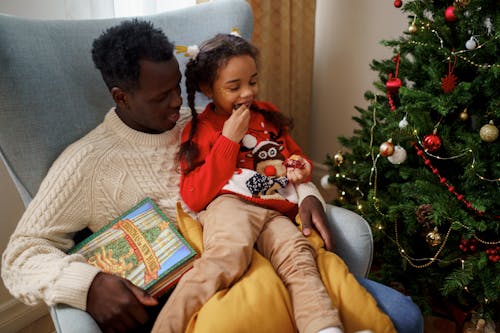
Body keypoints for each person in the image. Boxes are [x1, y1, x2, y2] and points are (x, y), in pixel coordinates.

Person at [0, 19, 423, 333]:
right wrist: (87, 284)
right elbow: (21, 255)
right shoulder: (87, 162)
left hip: (270, 244)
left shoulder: (205, 117)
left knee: (401, 314)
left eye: (178, 90)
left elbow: (268, 155)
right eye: (160, 96)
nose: (176, 105)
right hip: (210, 285)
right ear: (121, 96)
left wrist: (308, 191)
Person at [153, 33, 343, 333]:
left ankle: (325, 327)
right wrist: (230, 139)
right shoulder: (200, 128)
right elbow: (194, 196)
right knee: (226, 258)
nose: (247, 93)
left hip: (274, 205)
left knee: (299, 255)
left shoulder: (266, 115)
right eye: (234, 87)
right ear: (207, 88)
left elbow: (292, 155)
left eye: (252, 82)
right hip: (229, 204)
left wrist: (300, 168)